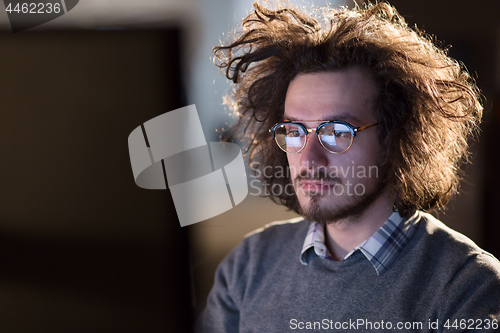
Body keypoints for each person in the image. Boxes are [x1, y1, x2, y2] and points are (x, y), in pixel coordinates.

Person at [196, 1, 500, 332]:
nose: (309, 159)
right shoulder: (249, 265)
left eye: (337, 132)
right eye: (294, 131)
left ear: (394, 138)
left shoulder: (468, 288)